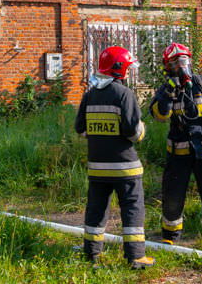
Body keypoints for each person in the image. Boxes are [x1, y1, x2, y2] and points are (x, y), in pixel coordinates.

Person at [74, 46, 156, 269]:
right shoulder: (124, 94)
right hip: (125, 168)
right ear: (118, 69)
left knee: (96, 209)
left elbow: (80, 128)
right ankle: (136, 257)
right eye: (127, 67)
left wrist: (99, 136)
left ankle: (92, 253)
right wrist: (141, 130)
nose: (128, 72)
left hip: (97, 168)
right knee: (132, 209)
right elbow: (132, 132)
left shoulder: (90, 94)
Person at [150, 42, 202, 254]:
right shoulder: (165, 89)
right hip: (178, 152)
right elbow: (160, 115)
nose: (181, 65)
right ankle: (169, 239)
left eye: (183, 60)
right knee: (173, 196)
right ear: (167, 67)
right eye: (175, 62)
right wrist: (169, 91)